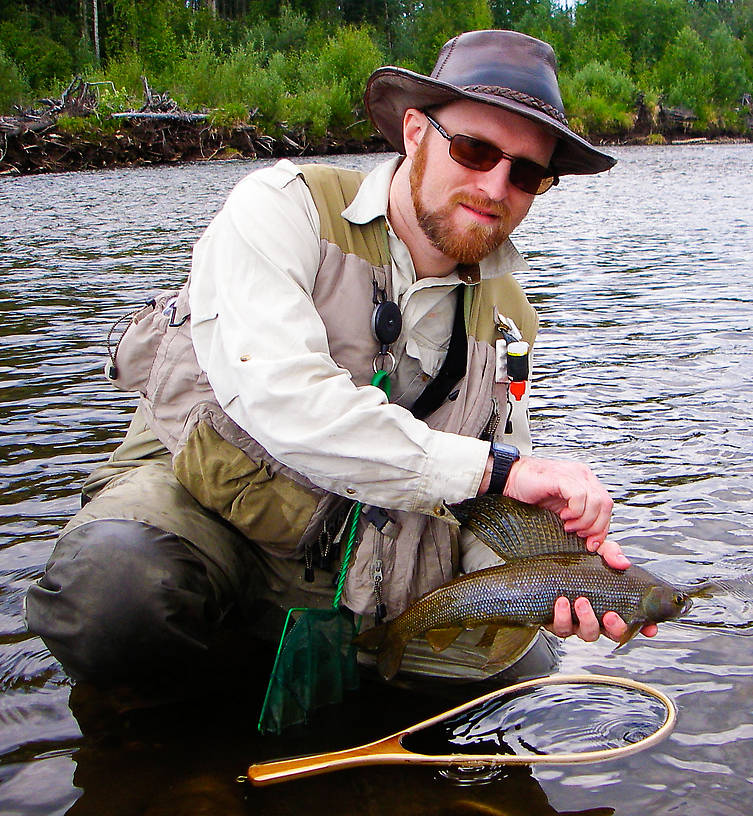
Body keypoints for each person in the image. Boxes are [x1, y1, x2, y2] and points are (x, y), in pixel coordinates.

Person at [25, 29, 656, 690]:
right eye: (473, 150)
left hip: (374, 553)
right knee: (114, 595)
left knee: (519, 672)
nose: (495, 186)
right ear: (415, 132)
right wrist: (496, 471)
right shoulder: (280, 207)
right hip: (208, 505)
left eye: (525, 172)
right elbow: (282, 399)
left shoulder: (510, 316)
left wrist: (551, 574)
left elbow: (486, 504)